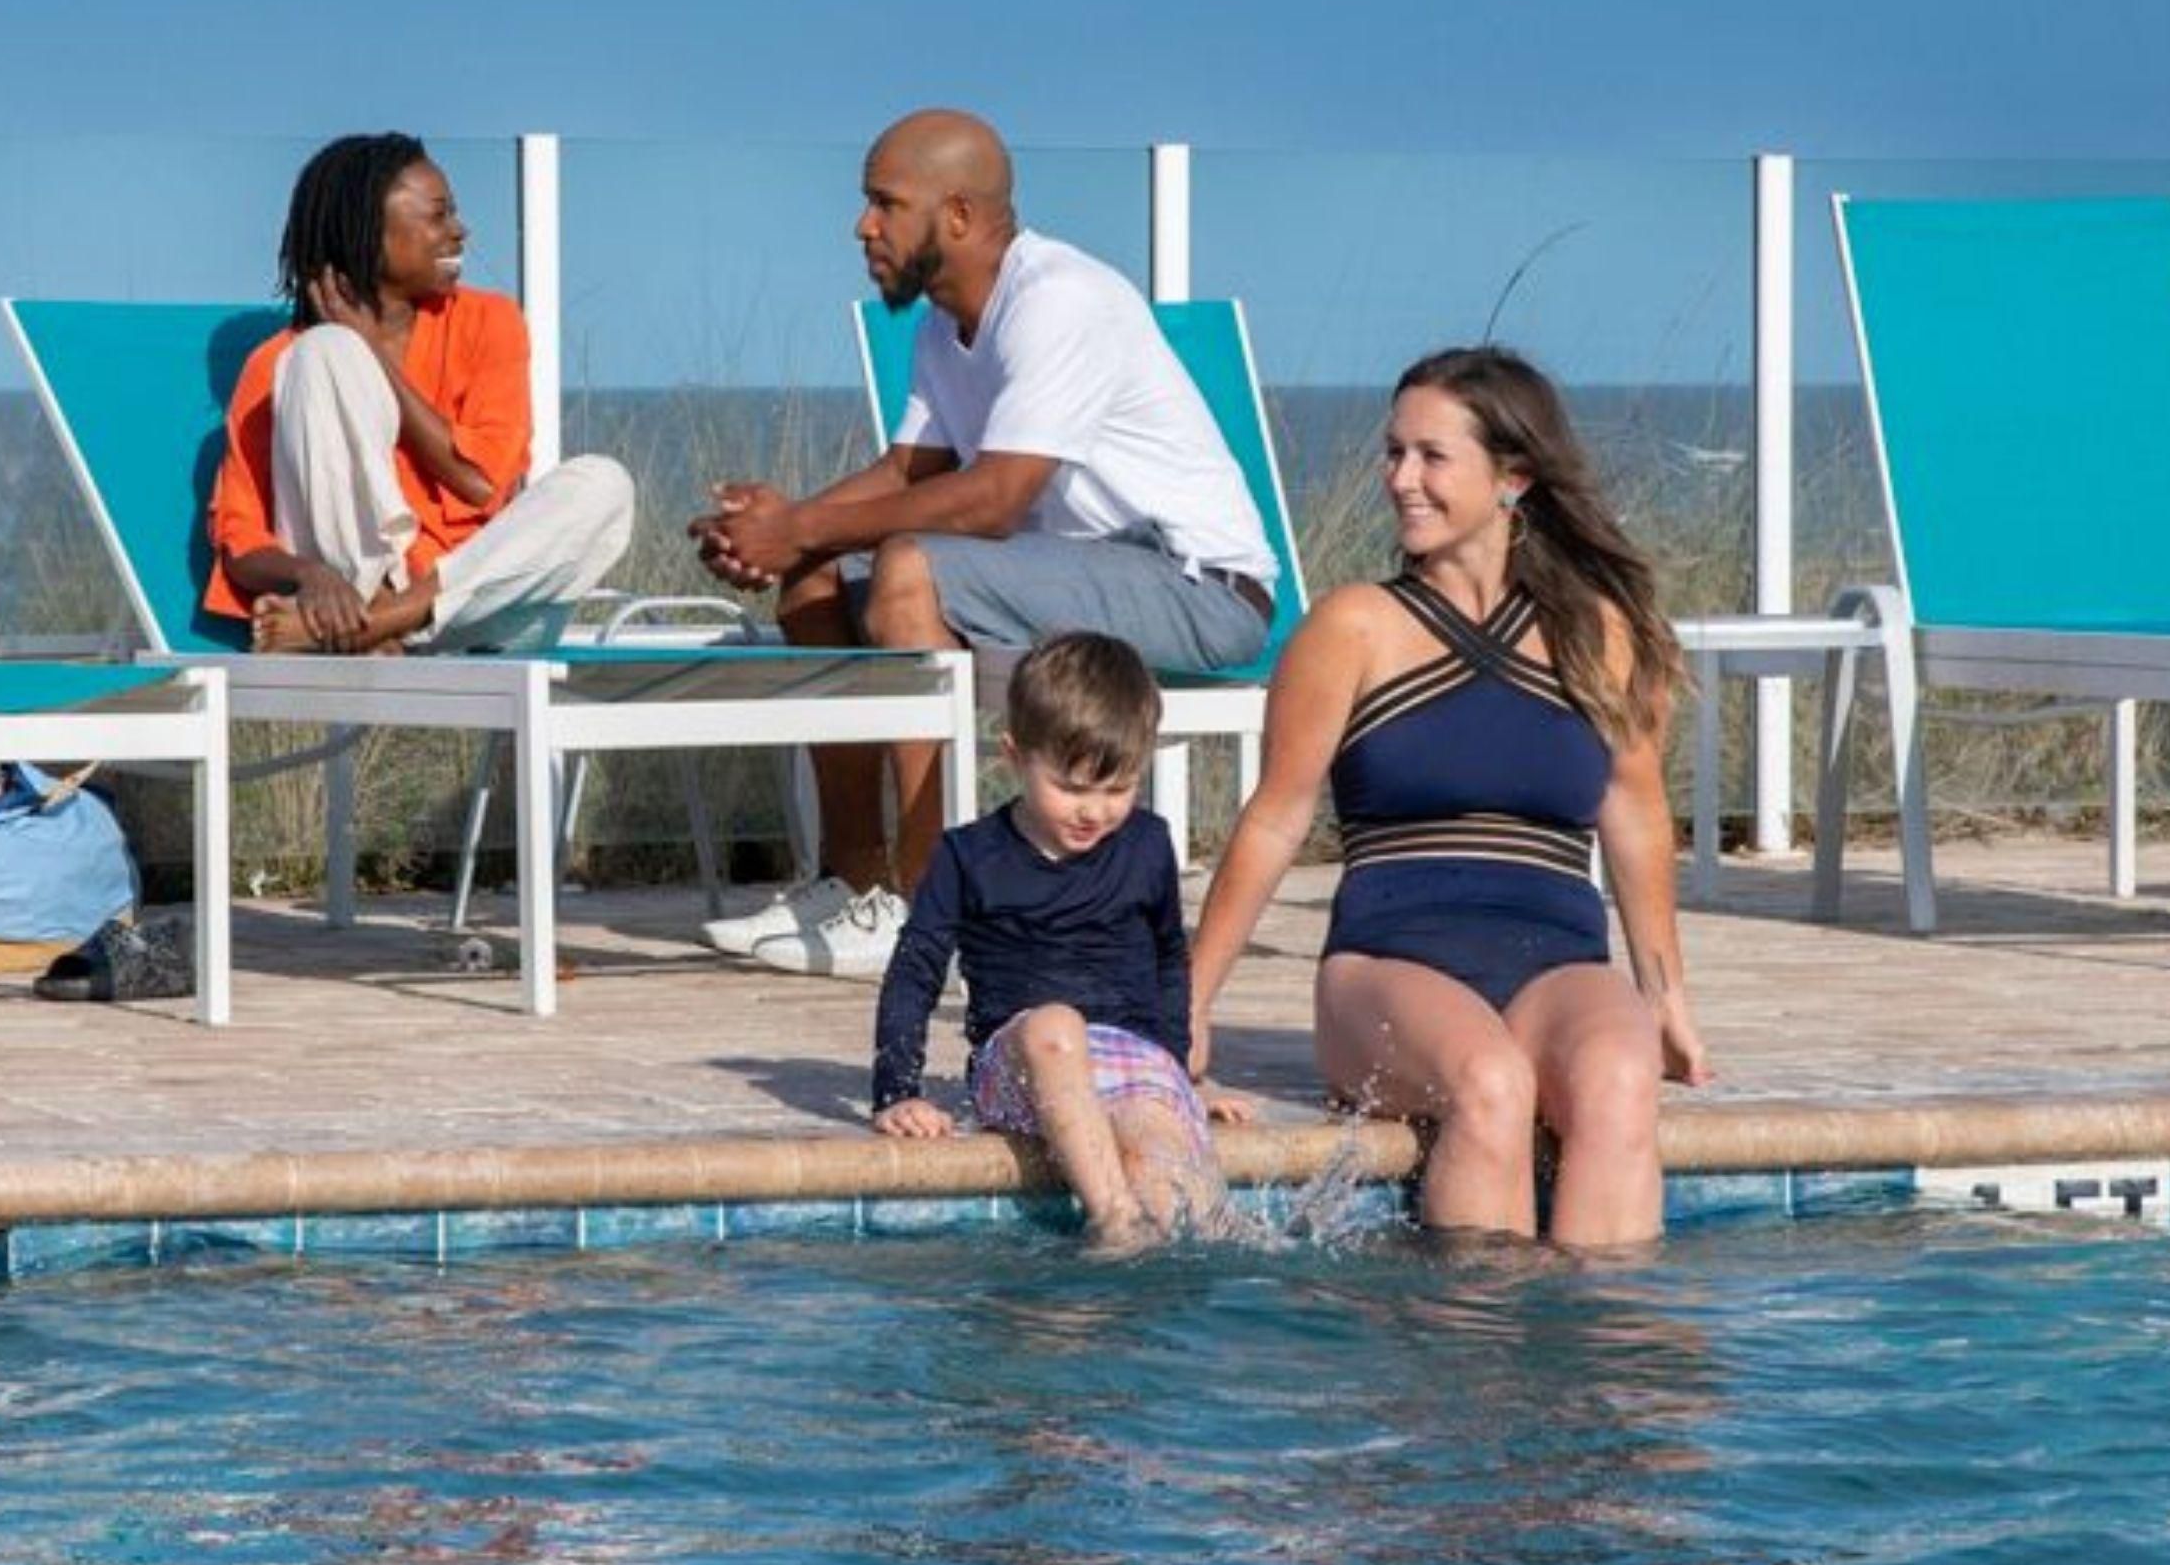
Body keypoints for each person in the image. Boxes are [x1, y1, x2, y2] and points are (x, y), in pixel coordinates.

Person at [690, 106, 1277, 976]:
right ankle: (853, 881)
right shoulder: (941, 325)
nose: (863, 226)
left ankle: (927, 905)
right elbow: (907, 473)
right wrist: (780, 538)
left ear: (958, 215)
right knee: (817, 580)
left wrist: (799, 524)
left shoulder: (1059, 300)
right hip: (1075, 578)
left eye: (884, 203)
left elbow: (996, 499)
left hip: (1195, 588)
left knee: (908, 567)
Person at [1186, 346, 1713, 1248]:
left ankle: (1606, 1366)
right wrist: (1187, 1005)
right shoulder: (1353, 625)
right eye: (1394, 453)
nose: (1401, 479)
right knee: (1492, 1085)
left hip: (1557, 961)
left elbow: (1635, 813)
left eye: (1431, 456)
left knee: (1620, 1081)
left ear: (1512, 477)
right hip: (1387, 968)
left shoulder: (1600, 635)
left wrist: (1663, 992)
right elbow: (1275, 819)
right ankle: (1475, 1364)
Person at [871, 632, 1250, 1252]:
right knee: (1057, 1027)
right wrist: (897, 1093)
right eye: (1072, 788)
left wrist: (1179, 1078)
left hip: (1130, 1054)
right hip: (1022, 1061)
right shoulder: (969, 856)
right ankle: (1112, 1218)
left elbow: (1166, 962)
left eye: (1118, 788)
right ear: (1015, 756)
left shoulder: (1148, 843)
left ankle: (1157, 1286)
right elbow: (916, 969)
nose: (1095, 812)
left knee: (1159, 1155)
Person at [206, 133, 634, 653]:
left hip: (479, 602)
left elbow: (479, 484)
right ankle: (375, 605)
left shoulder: (489, 321)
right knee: (323, 352)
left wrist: (376, 356)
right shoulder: (284, 363)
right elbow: (241, 545)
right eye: (438, 215)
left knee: (604, 484)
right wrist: (310, 575)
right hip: (343, 596)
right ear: (369, 232)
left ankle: (389, 620)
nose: (460, 232)